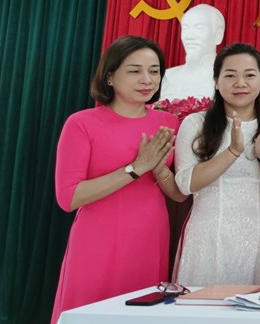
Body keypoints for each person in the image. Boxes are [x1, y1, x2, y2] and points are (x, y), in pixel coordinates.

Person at [51, 36, 186, 323]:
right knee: (91, 311)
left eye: (154, 71)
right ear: (110, 76)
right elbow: (68, 197)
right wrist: (135, 168)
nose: (147, 79)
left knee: (139, 312)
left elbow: (179, 194)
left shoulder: (169, 124)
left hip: (149, 237)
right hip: (97, 238)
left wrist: (159, 170)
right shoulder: (81, 123)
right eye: (135, 70)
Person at [173, 43, 260, 286]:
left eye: (249, 75)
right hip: (206, 235)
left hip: (256, 236)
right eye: (230, 75)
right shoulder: (196, 124)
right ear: (216, 81)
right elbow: (186, 184)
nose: (240, 83)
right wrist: (232, 152)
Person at [160, 4, 225, 100]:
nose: (189, 37)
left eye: (199, 28)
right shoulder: (167, 76)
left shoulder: (226, 78)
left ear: (218, 35)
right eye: (185, 29)